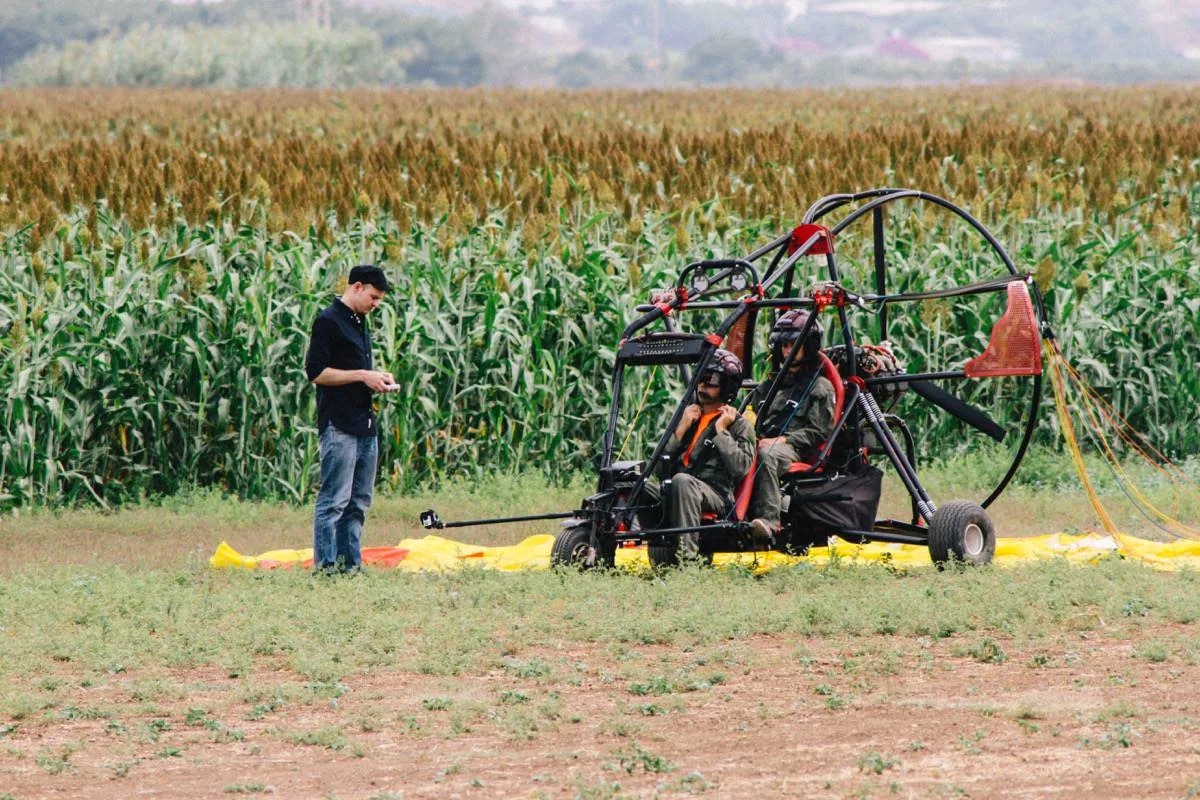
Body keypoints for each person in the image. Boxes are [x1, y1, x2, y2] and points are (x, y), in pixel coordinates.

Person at [304, 264, 394, 574]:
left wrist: (376, 379)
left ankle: (350, 565)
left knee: (358, 502)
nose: (376, 304)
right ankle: (326, 567)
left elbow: (357, 373)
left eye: (380, 299)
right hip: (339, 423)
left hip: (364, 422)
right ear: (356, 286)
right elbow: (315, 372)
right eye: (373, 296)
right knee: (334, 502)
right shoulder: (328, 321)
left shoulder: (360, 321)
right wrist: (362, 375)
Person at [643, 349, 756, 562]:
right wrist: (681, 429)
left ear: (726, 386)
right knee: (634, 481)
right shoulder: (688, 417)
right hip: (677, 487)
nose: (703, 384)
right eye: (701, 377)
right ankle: (657, 545)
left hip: (715, 494)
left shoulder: (739, 425)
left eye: (711, 379)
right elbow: (657, 469)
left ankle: (688, 561)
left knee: (683, 482)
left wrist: (721, 432)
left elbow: (741, 468)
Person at [746, 309, 837, 540]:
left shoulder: (820, 387)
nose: (788, 351)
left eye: (794, 345)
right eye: (784, 346)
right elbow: (751, 411)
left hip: (794, 448)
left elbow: (818, 432)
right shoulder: (771, 384)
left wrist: (783, 439)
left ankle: (768, 522)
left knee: (766, 453)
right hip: (763, 438)